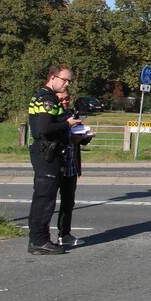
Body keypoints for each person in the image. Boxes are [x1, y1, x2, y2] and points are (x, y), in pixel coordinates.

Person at [26, 65, 81, 255]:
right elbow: (42, 129)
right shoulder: (46, 98)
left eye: (69, 81)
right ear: (52, 77)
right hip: (46, 153)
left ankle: (39, 240)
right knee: (44, 199)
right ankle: (39, 241)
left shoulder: (45, 96)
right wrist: (67, 123)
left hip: (49, 153)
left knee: (44, 198)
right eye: (64, 80)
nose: (67, 84)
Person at [55, 90, 93, 247]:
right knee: (48, 201)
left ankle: (65, 234)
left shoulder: (73, 114)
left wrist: (86, 137)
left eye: (67, 99)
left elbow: (80, 136)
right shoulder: (53, 116)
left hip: (71, 164)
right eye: (61, 99)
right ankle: (40, 235)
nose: (65, 101)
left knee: (68, 201)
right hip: (56, 163)